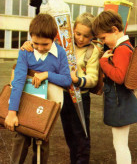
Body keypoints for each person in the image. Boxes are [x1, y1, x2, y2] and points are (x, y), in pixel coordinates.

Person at [21, 12, 100, 164]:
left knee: (81, 136)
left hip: (80, 97)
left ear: (92, 36)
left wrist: (78, 80)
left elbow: (93, 79)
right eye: (78, 34)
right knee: (69, 135)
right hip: (63, 94)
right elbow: (43, 41)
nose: (81, 38)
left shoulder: (92, 51)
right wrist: (28, 44)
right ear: (72, 30)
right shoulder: (63, 44)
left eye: (86, 36)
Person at [4, 13, 72, 164]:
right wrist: (12, 112)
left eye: (45, 45)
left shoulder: (60, 53)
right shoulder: (26, 51)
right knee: (20, 138)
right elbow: (19, 81)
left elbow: (67, 80)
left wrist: (46, 75)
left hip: (47, 105)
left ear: (54, 37)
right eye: (36, 43)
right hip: (25, 102)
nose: (40, 48)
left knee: (42, 140)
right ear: (31, 37)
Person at [92, 9, 137, 164]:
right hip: (121, 102)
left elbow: (119, 77)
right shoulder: (123, 47)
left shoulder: (122, 49)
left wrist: (103, 62)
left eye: (103, 37)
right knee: (120, 143)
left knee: (120, 144)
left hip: (120, 104)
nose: (103, 41)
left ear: (115, 30)